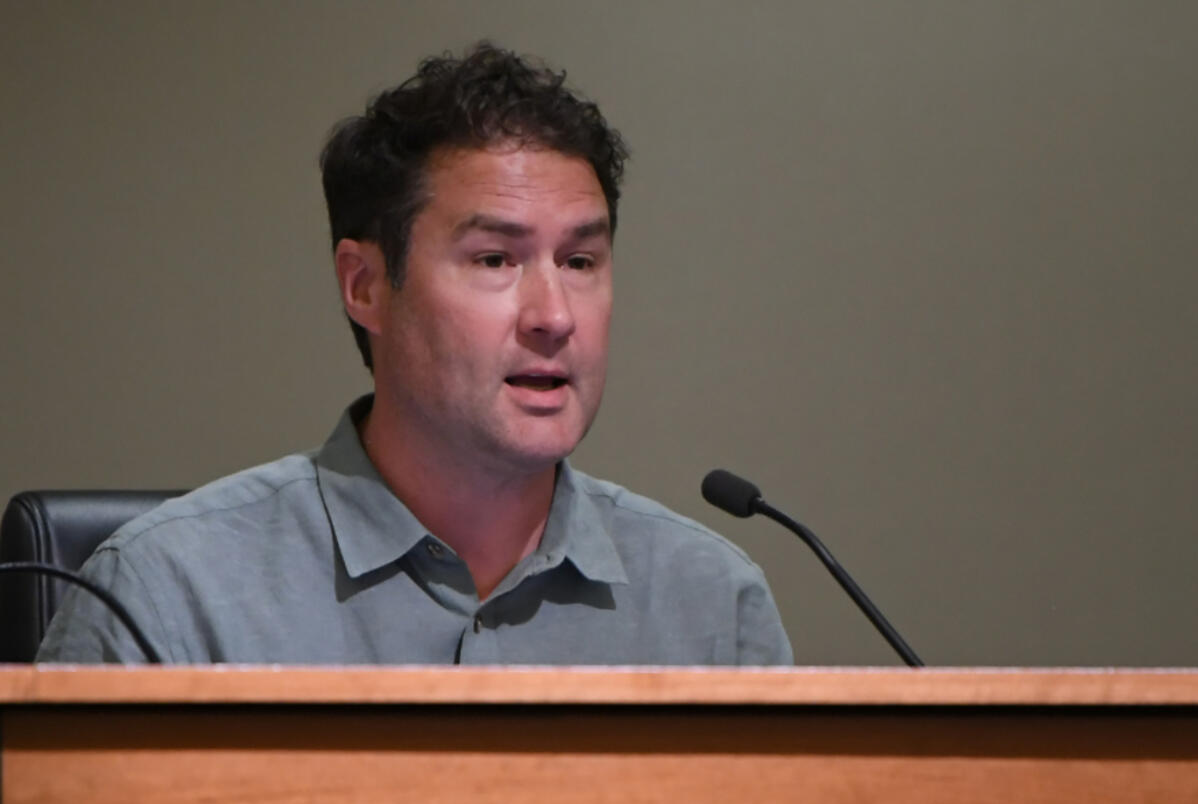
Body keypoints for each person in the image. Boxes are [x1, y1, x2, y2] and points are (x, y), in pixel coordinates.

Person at [37, 43, 792, 665]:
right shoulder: (168, 596)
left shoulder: (712, 607)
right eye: (495, 260)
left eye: (581, 262)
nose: (554, 316)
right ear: (364, 285)